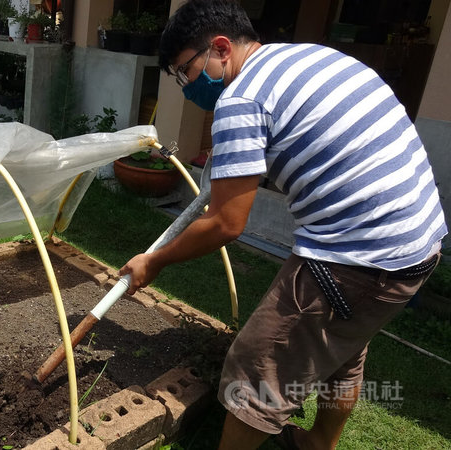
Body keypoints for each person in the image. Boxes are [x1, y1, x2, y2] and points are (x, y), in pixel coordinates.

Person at [118, 1, 448, 449]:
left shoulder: (241, 97)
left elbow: (226, 224)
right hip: (418, 245)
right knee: (344, 352)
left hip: (357, 256)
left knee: (255, 371)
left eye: (186, 71)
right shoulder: (309, 57)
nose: (186, 86)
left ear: (219, 48)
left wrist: (153, 261)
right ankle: (316, 444)